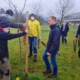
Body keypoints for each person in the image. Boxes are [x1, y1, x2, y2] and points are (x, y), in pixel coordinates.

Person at [0, 9, 27, 78]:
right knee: (7, 70)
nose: (8, 29)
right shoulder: (3, 19)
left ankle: (2, 69)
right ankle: (4, 71)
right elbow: (11, 32)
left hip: (2, 45)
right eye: (7, 28)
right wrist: (23, 28)